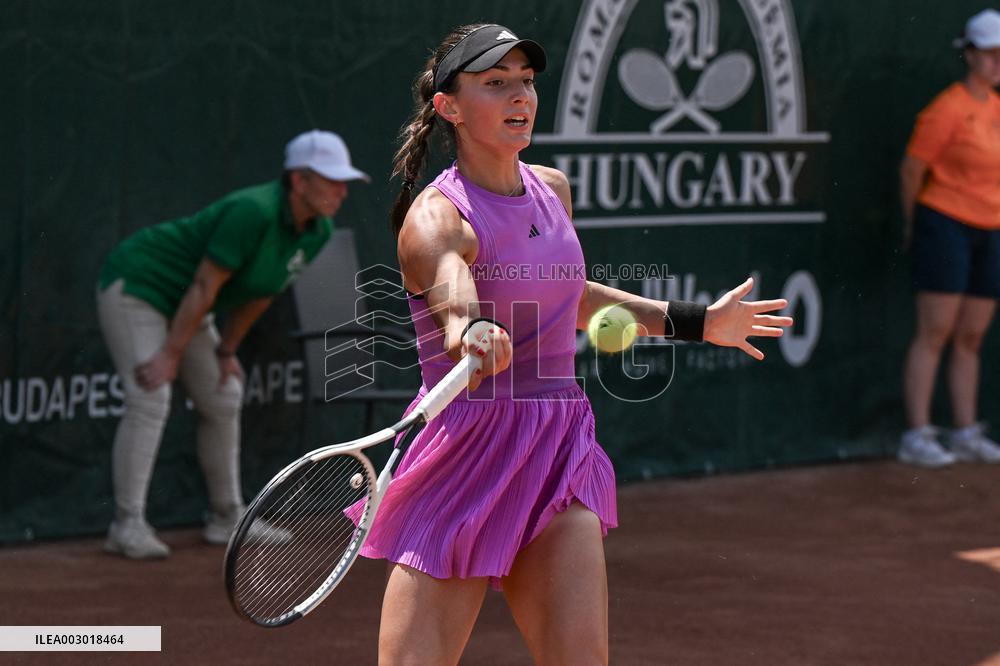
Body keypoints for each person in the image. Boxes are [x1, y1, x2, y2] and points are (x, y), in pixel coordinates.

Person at [361, 24, 793, 664]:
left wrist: (698, 322)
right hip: (465, 457)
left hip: (555, 446)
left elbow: (573, 293)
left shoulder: (551, 188)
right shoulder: (436, 217)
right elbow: (454, 296)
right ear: (448, 106)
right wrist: (470, 330)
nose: (520, 98)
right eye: (495, 84)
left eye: (527, 82)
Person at [97, 130, 369, 559]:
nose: (342, 190)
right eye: (331, 179)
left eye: (344, 181)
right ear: (299, 181)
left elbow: (262, 292)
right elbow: (206, 284)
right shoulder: (252, 211)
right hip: (140, 286)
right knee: (151, 396)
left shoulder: (317, 230)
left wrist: (226, 351)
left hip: (188, 303)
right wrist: (170, 353)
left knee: (225, 394)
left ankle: (227, 517)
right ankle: (126, 524)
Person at [898, 9, 1000, 468]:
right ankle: (917, 434)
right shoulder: (946, 109)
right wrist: (913, 224)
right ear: (971, 55)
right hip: (944, 224)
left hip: (991, 229)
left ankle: (964, 431)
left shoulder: (997, 108)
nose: (999, 62)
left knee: (972, 335)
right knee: (935, 332)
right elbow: (912, 170)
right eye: (992, 53)